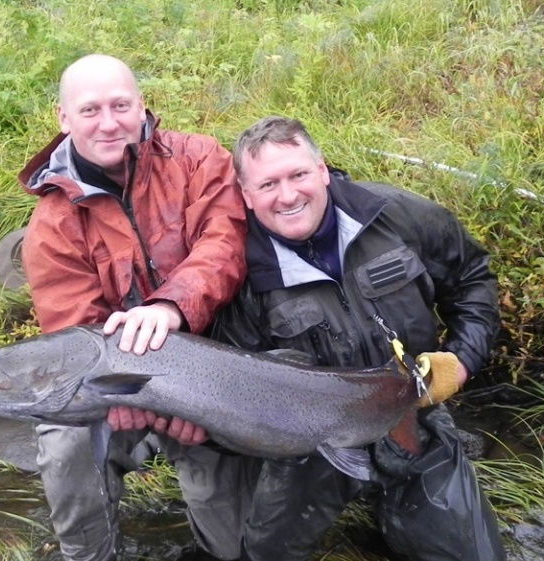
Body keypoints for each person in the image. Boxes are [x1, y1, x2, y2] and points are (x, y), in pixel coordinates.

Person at [213, 115, 506, 560]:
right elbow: (235, 387)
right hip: (309, 446)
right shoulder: (237, 274)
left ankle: (400, 506)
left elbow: (472, 278)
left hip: (414, 417)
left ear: (323, 170)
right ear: (246, 196)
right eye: (268, 184)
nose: (288, 195)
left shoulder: (396, 215)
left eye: (298, 174)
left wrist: (462, 358)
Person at [18, 54, 260, 560]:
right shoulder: (51, 224)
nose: (108, 123)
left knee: (238, 546)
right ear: (63, 118)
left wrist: (172, 305)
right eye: (89, 110)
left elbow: (225, 243)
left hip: (208, 376)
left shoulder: (199, 159)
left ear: (141, 104)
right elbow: (76, 337)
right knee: (66, 440)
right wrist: (123, 397)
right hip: (117, 391)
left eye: (120, 105)